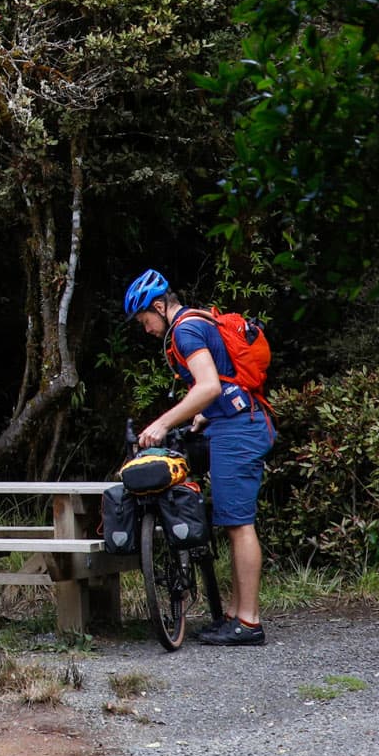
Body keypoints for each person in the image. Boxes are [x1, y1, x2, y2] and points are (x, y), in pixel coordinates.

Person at [123, 269, 276, 646]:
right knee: (230, 521)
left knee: (239, 524)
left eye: (145, 320)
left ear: (159, 307)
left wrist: (160, 424)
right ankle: (235, 614)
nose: (146, 329)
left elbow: (207, 385)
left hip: (239, 432)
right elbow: (221, 382)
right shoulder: (198, 321)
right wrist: (205, 413)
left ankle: (249, 622)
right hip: (233, 425)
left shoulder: (185, 330)